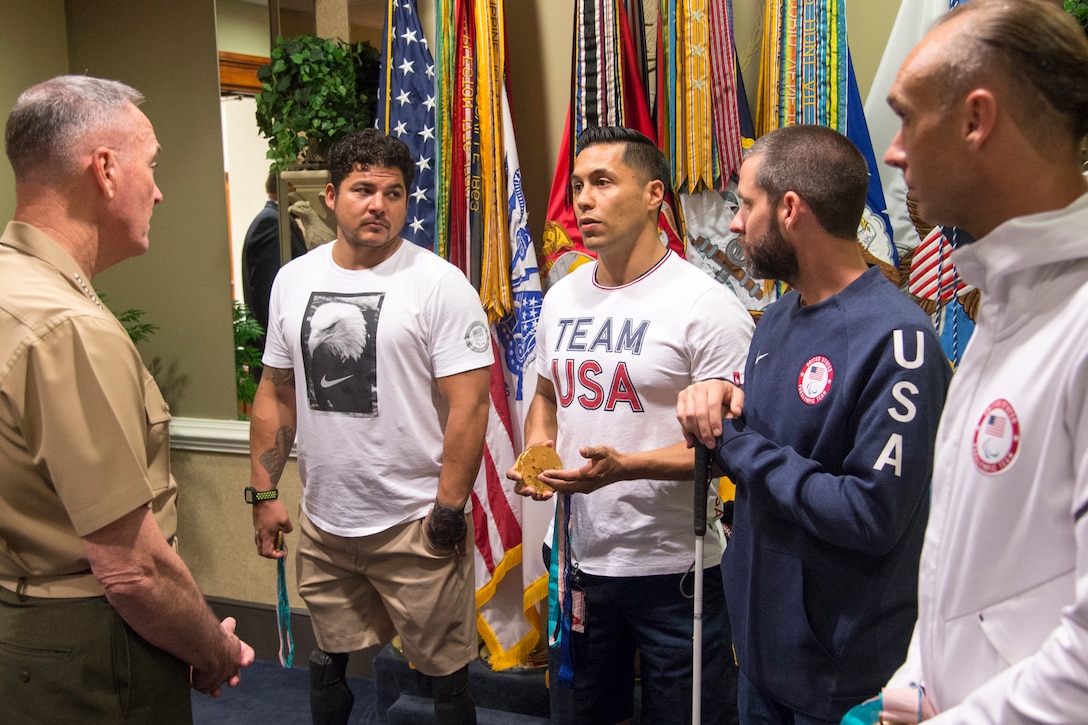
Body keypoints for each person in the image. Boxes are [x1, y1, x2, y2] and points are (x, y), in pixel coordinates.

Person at [675, 124, 951, 725]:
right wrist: (728, 397)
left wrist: (736, 444)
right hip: (761, 660)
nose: (733, 225)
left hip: (842, 680)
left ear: (791, 209)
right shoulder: (776, 318)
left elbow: (869, 513)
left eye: (746, 204)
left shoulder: (898, 339)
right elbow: (785, 435)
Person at [0, 75, 254, 722]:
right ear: (106, 170)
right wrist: (212, 646)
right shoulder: (66, 328)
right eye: (153, 164)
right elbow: (132, 567)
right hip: (89, 652)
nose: (160, 190)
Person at [868, 1, 1088, 721]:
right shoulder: (1004, 298)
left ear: (976, 119)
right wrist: (920, 675)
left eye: (906, 117)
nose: (892, 152)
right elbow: (975, 569)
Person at [510, 126, 754, 725]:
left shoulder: (704, 305)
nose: (583, 201)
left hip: (676, 571)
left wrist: (625, 470)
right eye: (577, 187)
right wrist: (541, 447)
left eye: (602, 183)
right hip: (582, 566)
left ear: (653, 196)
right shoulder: (564, 298)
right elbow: (546, 394)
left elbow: (736, 450)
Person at [247, 127, 491, 725]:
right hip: (328, 523)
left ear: (408, 201)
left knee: (447, 680)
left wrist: (449, 510)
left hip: (415, 522)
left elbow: (471, 404)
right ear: (330, 196)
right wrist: (264, 493)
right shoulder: (293, 280)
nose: (378, 205)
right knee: (326, 664)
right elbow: (277, 394)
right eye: (362, 189)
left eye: (394, 192)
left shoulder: (438, 284)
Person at [241, 172, 308, 383]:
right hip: (278, 364)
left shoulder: (277, 219)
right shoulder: (271, 224)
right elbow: (269, 296)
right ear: (289, 187)